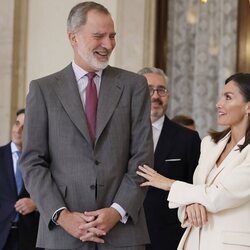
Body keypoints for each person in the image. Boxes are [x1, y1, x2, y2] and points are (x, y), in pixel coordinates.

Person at [20, 2, 153, 250]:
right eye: (99, 36)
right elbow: (32, 162)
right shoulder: (43, 90)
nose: (109, 44)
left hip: (123, 233)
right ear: (73, 37)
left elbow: (142, 159)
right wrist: (62, 216)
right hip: (63, 235)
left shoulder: (134, 86)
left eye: (112, 36)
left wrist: (117, 211)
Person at [137, 73, 250, 250]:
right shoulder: (209, 144)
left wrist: (168, 184)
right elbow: (195, 191)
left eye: (228, 97)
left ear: (248, 106)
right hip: (194, 242)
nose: (218, 104)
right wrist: (189, 205)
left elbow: (218, 196)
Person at [137, 67, 201, 250]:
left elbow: (196, 187)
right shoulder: (118, 134)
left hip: (168, 237)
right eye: (149, 89)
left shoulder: (188, 139)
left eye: (161, 90)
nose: (156, 96)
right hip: (123, 235)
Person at [0, 108, 42, 250]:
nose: (18, 130)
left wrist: (36, 204)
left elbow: (53, 192)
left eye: (24, 127)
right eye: (17, 124)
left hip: (30, 237)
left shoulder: (42, 161)